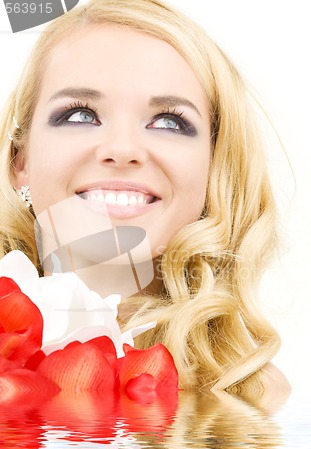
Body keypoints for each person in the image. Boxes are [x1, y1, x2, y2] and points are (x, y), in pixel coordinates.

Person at [0, 0, 290, 395]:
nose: (121, 149)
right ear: (21, 160)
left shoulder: (254, 393)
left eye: (169, 122)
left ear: (213, 167)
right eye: (81, 115)